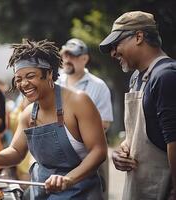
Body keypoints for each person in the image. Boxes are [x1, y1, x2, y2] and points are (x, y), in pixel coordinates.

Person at [0, 39, 107, 199]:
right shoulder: (28, 114)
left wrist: (68, 179)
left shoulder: (78, 101)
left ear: (49, 73)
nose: (24, 84)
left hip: (80, 192)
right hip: (41, 192)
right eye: (18, 79)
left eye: (30, 76)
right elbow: (16, 151)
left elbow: (98, 151)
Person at [99, 11, 176, 200]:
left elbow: (173, 139)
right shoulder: (136, 78)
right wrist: (121, 152)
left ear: (139, 37)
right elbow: (143, 133)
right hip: (138, 190)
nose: (113, 52)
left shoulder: (166, 76)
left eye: (116, 44)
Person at [59, 38, 113, 199]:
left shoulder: (98, 85)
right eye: (65, 55)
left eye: (73, 56)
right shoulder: (55, 81)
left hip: (92, 155)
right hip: (60, 157)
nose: (67, 60)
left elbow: (105, 124)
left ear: (85, 58)